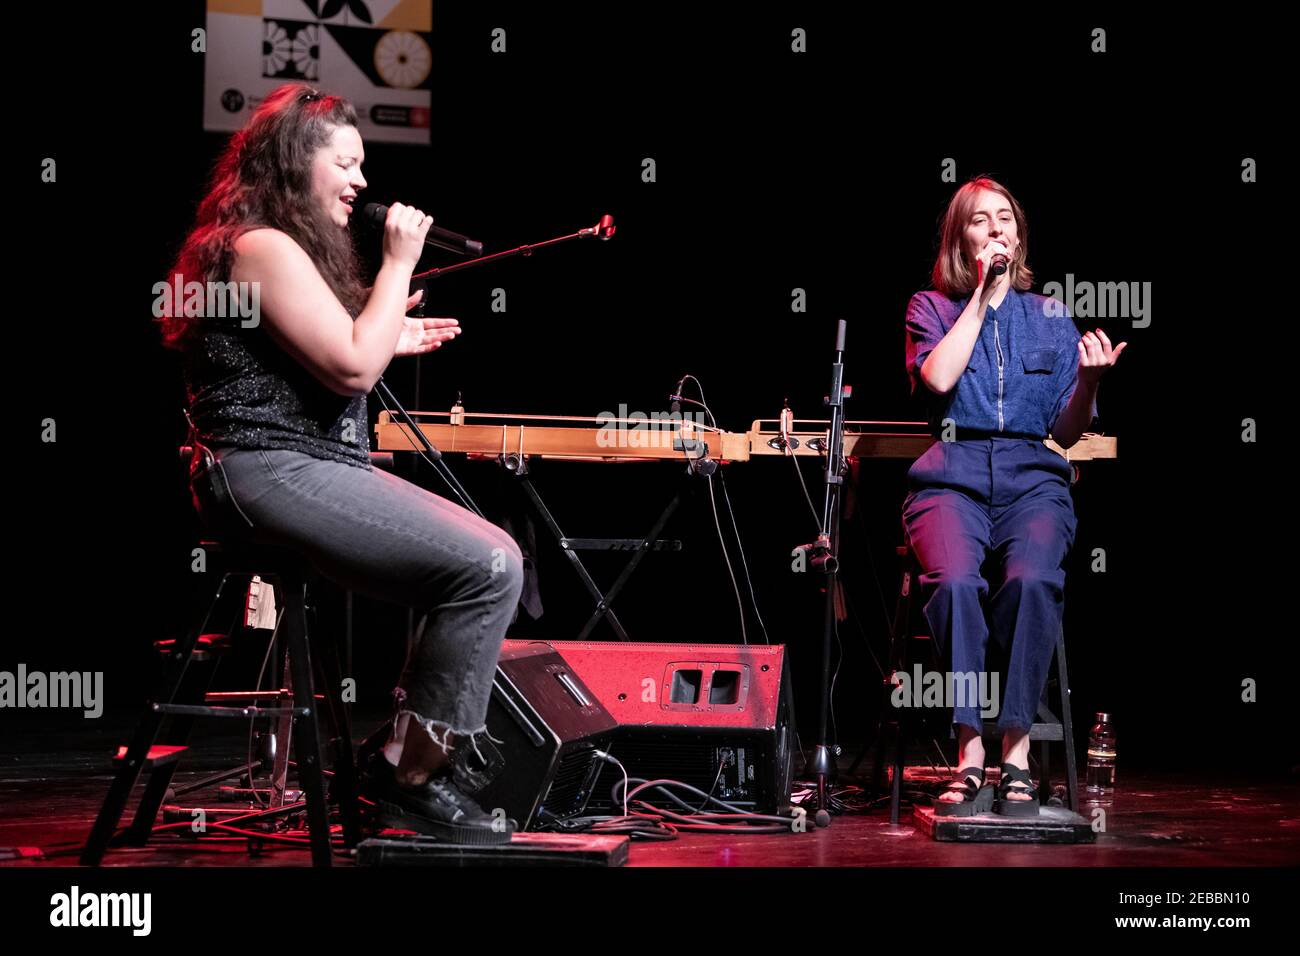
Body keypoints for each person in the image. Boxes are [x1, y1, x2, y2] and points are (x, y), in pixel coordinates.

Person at [157, 83, 524, 844]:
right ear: (297, 162)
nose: (362, 183)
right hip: (263, 467)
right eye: (347, 164)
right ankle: (409, 774)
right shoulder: (259, 246)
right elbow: (353, 368)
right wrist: (397, 264)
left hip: (298, 463)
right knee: (489, 564)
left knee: (476, 562)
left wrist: (392, 333)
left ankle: (401, 755)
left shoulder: (270, 248)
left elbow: (342, 350)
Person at [902, 176, 1125, 816]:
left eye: (1006, 218)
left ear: (1019, 234)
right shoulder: (931, 307)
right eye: (980, 220)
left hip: (1033, 473)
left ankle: (1016, 748)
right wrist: (980, 293)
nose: (997, 227)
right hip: (953, 470)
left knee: (1031, 580)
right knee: (953, 584)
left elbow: (1064, 429)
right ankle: (970, 749)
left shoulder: (1051, 316)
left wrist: (1086, 382)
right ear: (960, 238)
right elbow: (940, 376)